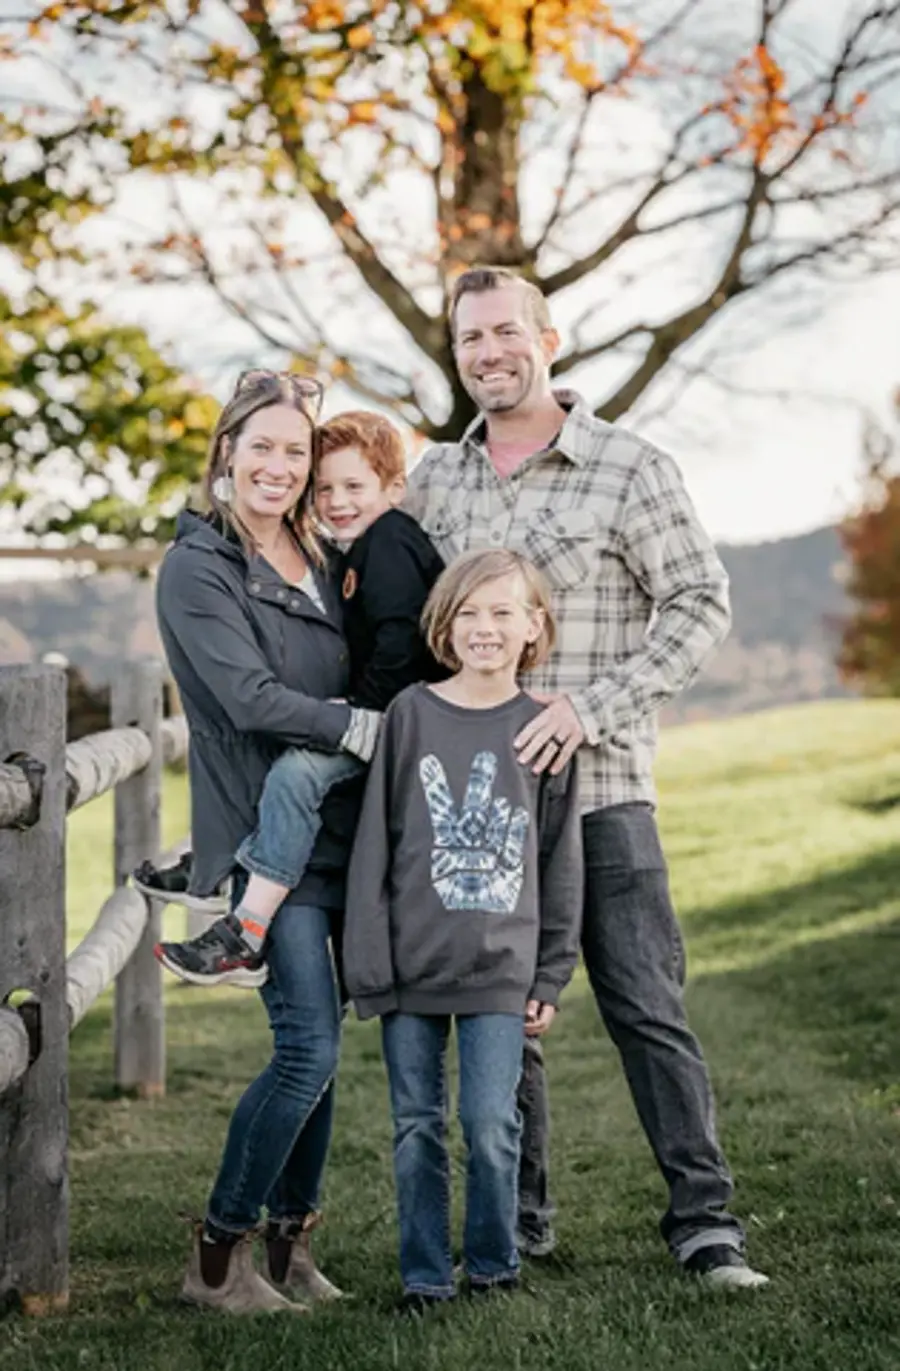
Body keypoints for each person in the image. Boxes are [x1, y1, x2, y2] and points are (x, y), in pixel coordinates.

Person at [405, 266, 769, 1289]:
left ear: (548, 338)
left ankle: (706, 1224)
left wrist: (588, 709)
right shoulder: (439, 481)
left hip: (604, 792)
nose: (489, 353)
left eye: (506, 333)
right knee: (498, 1017)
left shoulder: (627, 466)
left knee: (646, 1006)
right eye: (471, 338)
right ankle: (521, 1222)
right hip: (479, 811)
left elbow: (699, 601)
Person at [155, 369, 373, 1314]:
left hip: (331, 832)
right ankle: (216, 1256)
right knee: (304, 1049)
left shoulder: (320, 553)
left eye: (297, 450)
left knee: (321, 1061)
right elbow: (246, 698)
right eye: (263, 448)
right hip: (259, 837)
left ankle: (291, 1250)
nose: (280, 467)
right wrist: (359, 727)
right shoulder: (199, 565)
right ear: (227, 453)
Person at [343, 548, 583, 1311]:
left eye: (503, 611)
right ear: (444, 626)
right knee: (416, 1125)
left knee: (488, 1121)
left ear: (532, 625)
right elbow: (376, 844)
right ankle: (423, 1274)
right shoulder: (411, 713)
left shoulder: (545, 728)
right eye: (469, 613)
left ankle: (492, 1262)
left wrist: (548, 974)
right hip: (413, 961)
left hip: (501, 968)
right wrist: (369, 963)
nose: (485, 627)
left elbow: (558, 859)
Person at [155, 410, 445, 987]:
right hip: (390, 712)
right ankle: (218, 868)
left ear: (394, 489)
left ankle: (246, 927)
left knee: (296, 776)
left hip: (400, 714)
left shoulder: (386, 542)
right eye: (326, 488)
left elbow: (401, 638)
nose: (337, 501)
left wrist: (359, 710)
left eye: (354, 487)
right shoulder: (343, 551)